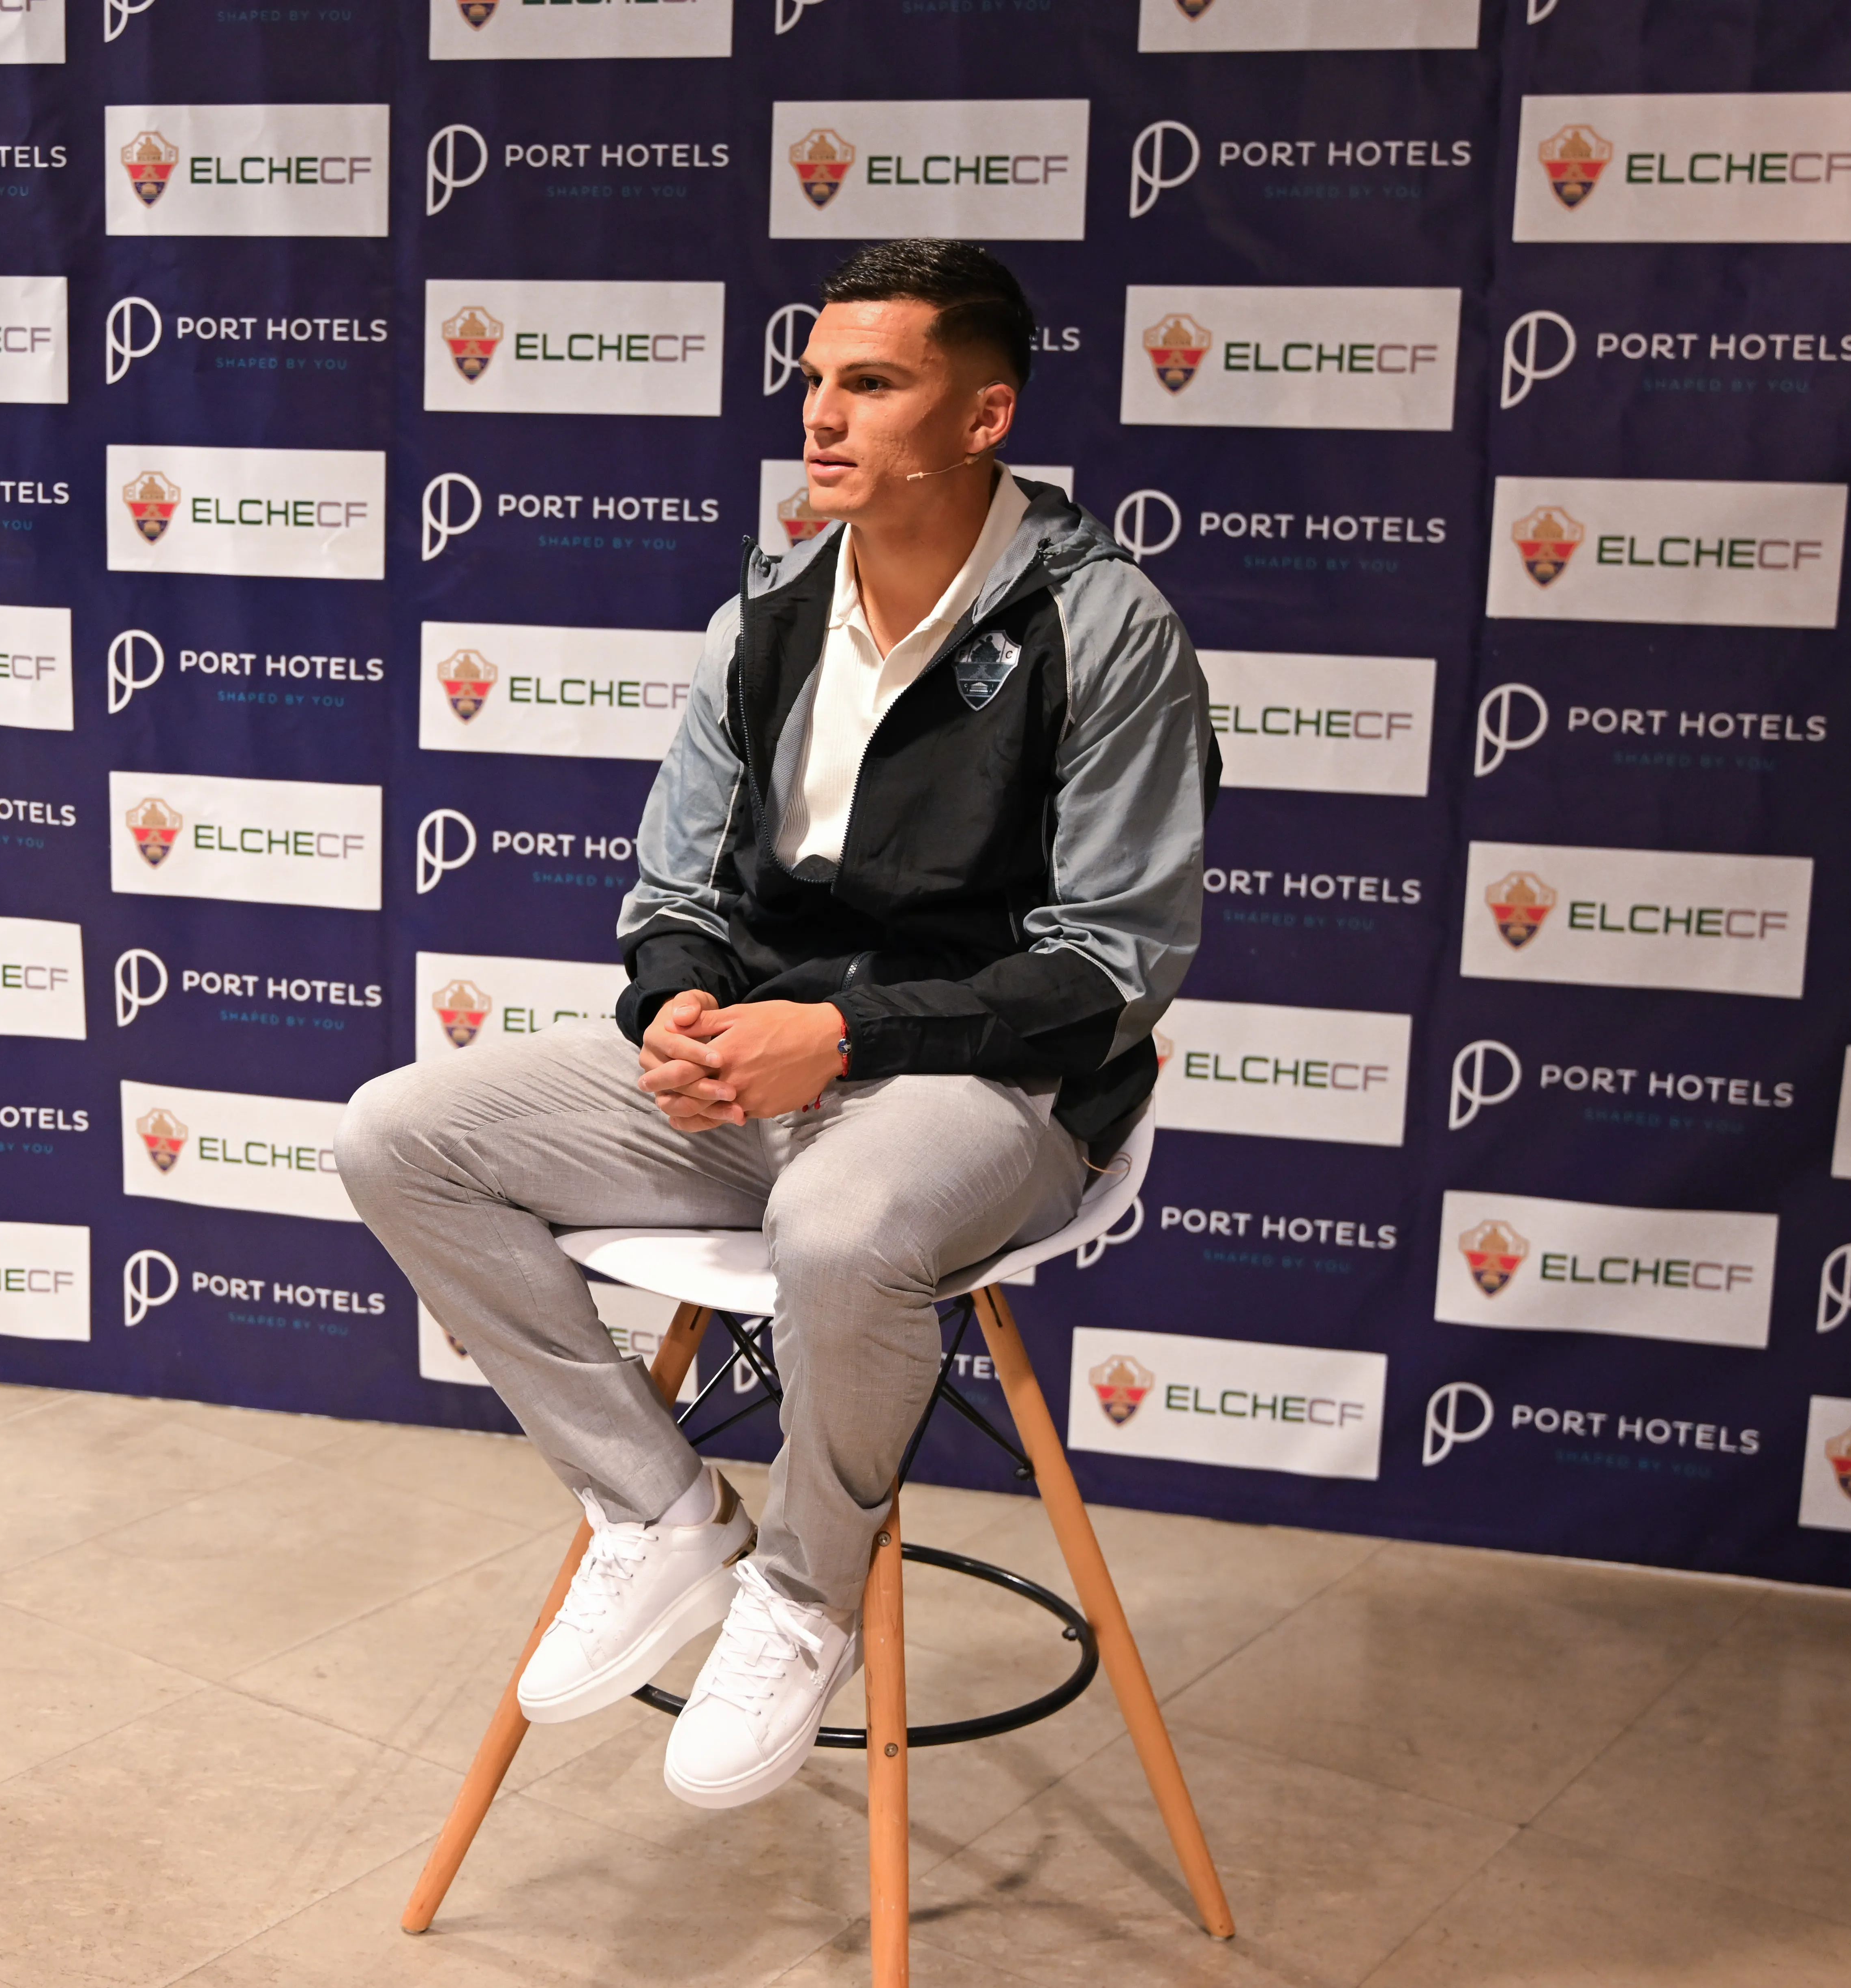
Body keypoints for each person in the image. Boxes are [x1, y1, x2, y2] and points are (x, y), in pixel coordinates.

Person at [339, 241, 1215, 1810]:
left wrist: (845, 1034)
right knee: (400, 1136)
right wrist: (673, 998)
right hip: (769, 1062)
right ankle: (665, 1513)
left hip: (988, 1086)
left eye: (873, 385)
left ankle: (806, 1599)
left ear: (983, 415)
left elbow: (1113, 960)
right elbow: (673, 878)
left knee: (836, 1222)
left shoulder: (1105, 622)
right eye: (815, 382)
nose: (822, 417)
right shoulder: (772, 606)